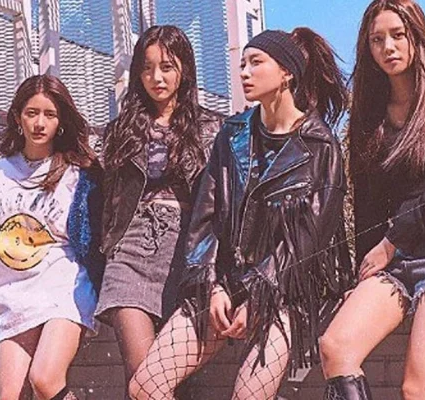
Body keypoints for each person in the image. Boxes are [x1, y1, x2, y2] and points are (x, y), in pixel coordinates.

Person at [129, 27, 355, 400]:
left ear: (286, 72)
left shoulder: (320, 146)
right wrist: (213, 285)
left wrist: (260, 294)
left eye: (255, 63)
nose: (244, 73)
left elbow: (306, 241)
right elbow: (206, 218)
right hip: (224, 286)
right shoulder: (232, 134)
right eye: (242, 64)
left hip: (285, 293)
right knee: (145, 386)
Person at [318, 1, 425, 399]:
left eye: (398, 35)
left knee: (418, 389)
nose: (388, 47)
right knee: (335, 346)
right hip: (396, 260)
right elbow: (367, 205)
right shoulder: (369, 116)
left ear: (417, 37)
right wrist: (363, 273)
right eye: (377, 39)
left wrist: (390, 242)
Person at [95, 25, 221, 388]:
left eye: (167, 67)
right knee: (141, 374)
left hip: (186, 250)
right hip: (130, 250)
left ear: (185, 70)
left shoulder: (213, 128)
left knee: (160, 380)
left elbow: (220, 203)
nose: (157, 78)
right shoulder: (120, 130)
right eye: (147, 68)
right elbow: (106, 200)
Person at [0, 74, 105, 400]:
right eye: (32, 113)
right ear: (18, 117)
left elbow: (94, 238)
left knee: (45, 379)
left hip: (62, 289)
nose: (39, 123)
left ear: (61, 122)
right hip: (13, 296)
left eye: (50, 114)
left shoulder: (77, 173)